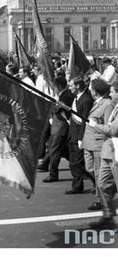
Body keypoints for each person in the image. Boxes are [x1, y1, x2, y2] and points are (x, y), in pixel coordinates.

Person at [86, 81, 118, 229]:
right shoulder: (114, 106)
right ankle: (108, 215)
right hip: (108, 150)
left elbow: (112, 130)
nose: (110, 94)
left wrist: (94, 125)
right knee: (103, 184)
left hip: (115, 152)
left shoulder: (110, 106)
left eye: (112, 92)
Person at [81, 79, 114, 211]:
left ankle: (100, 199)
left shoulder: (107, 105)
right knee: (89, 169)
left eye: (91, 88)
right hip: (88, 142)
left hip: (98, 143)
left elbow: (108, 127)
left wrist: (95, 124)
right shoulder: (97, 103)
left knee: (98, 173)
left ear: (95, 91)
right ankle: (106, 192)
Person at [66, 77, 95, 194]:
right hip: (72, 134)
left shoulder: (86, 100)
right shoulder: (77, 98)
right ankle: (79, 185)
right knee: (74, 163)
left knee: (78, 163)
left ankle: (79, 186)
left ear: (77, 86)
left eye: (71, 85)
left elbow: (84, 121)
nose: (69, 87)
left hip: (79, 135)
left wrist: (80, 138)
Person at [43, 76, 74, 182]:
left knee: (54, 151)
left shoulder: (66, 96)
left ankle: (53, 174)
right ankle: (79, 167)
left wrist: (54, 107)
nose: (53, 88)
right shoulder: (61, 95)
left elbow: (61, 110)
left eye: (54, 86)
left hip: (61, 128)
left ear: (59, 86)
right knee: (64, 151)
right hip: (56, 127)